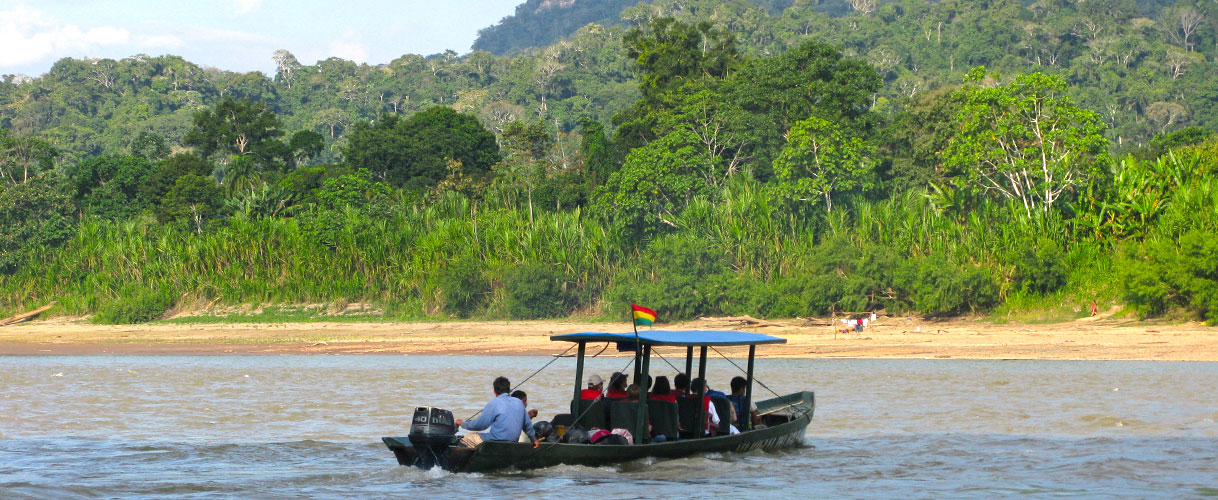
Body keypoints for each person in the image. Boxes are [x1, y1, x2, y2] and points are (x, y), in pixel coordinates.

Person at [454, 376, 539, 449]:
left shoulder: (494, 403)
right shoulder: (519, 403)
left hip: (495, 441)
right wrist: (534, 439)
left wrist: (462, 423)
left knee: (461, 439)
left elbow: (480, 425)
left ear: (494, 391)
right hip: (512, 442)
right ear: (509, 390)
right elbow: (528, 425)